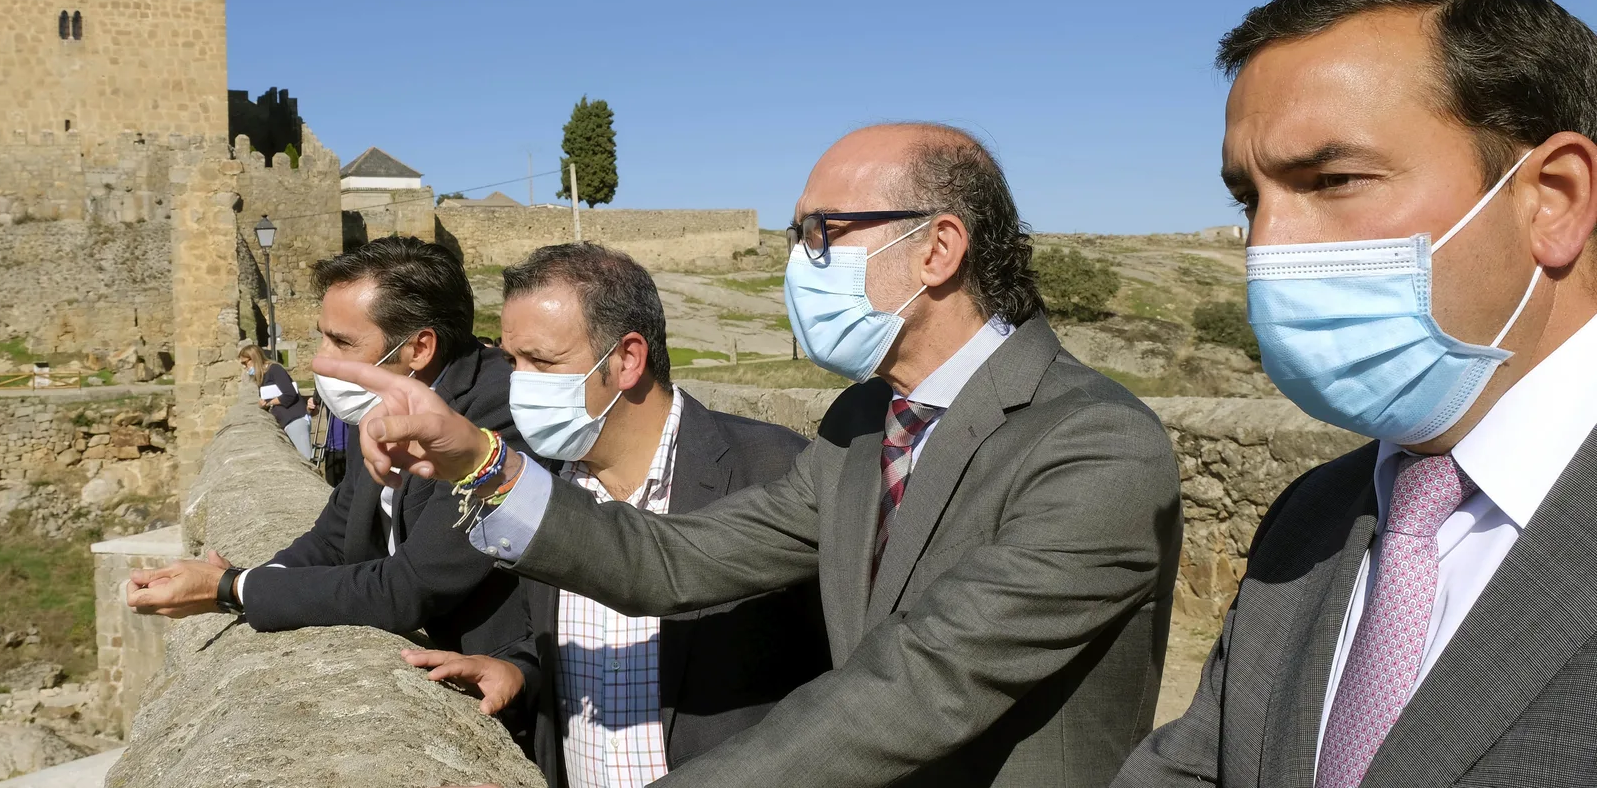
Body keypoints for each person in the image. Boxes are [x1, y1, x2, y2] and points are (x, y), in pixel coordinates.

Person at [326, 123, 1183, 788]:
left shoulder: (1092, 443)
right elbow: (676, 556)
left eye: (824, 234)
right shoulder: (862, 421)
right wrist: (479, 457)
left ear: (937, 248)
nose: (798, 263)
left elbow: (918, 683)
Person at [1115, 0, 1597, 788]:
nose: (1267, 246)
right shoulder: (1315, 513)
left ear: (1553, 199)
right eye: (1248, 199)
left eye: (1332, 181)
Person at [400, 243, 829, 787]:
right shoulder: (541, 483)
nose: (519, 384)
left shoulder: (774, 470)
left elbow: (838, 682)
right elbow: (558, 635)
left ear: (627, 359)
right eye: (512, 362)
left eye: (543, 362)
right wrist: (520, 670)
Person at [127, 237, 527, 664]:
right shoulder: (381, 403)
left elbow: (410, 588)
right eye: (323, 339)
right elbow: (336, 537)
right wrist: (257, 581)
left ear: (419, 348)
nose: (321, 361)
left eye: (342, 343)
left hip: (508, 695)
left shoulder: (495, 413)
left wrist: (231, 588)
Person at [240, 342, 309, 457]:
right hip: (285, 422)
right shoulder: (262, 376)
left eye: (245, 363)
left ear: (253, 359)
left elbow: (290, 394)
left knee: (305, 459)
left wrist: (269, 403)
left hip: (295, 419)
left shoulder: (275, 370)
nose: (244, 367)